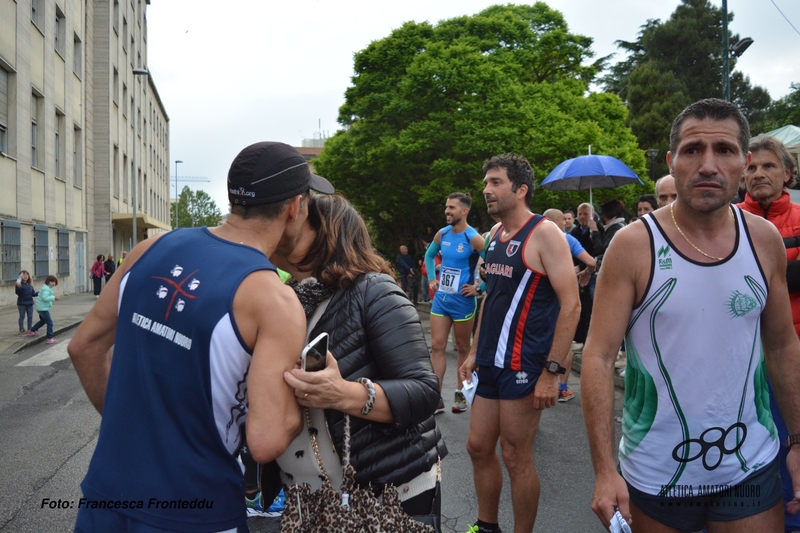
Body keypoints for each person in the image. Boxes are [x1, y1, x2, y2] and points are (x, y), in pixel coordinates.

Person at [67, 141, 334, 532]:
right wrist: (309, 392)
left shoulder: (150, 247)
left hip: (106, 494)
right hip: (196, 510)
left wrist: (141, 433)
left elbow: (82, 346)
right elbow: (265, 440)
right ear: (295, 207)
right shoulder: (274, 300)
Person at [581, 98, 800, 533]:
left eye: (724, 150)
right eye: (692, 150)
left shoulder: (763, 238)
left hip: (749, 464)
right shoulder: (632, 245)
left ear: (744, 161)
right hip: (657, 471)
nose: (708, 165)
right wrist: (605, 470)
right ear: (672, 161)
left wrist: (798, 440)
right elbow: (599, 357)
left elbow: (780, 344)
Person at [271, 194, 445, 520]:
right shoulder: (284, 299)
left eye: (298, 220)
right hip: (306, 498)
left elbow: (424, 391)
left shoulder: (375, 291)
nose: (284, 224)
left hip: (386, 493)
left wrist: (345, 394)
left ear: (326, 234)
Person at [460, 154, 580, 533]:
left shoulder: (545, 234)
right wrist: (473, 352)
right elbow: (490, 300)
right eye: (486, 183)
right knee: (478, 447)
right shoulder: (493, 235)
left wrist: (553, 373)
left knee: (515, 456)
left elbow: (571, 305)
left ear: (521, 189)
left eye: (495, 182)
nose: (486, 190)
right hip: (491, 364)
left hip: (525, 365)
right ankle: (486, 525)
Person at [738, 134, 800, 532]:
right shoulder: (725, 221)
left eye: (768, 166)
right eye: (751, 167)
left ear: (788, 174)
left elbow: (741, 282)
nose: (758, 173)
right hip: (741, 365)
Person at [425, 192, 485, 414]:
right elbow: (430, 255)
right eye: (446, 207)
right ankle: (435, 397)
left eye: (452, 207)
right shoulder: (443, 234)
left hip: (463, 301)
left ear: (464, 211)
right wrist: (432, 278)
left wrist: (480, 288)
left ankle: (460, 395)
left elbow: (494, 264)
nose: (447, 211)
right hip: (442, 299)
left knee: (462, 347)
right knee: (437, 345)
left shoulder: (474, 238)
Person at [543, 208, 596, 403]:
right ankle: (562, 388)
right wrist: (586, 272)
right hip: (564, 299)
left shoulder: (535, 238)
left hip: (540, 300)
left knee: (542, 342)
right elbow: (591, 262)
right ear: (559, 221)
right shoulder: (567, 240)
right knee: (563, 343)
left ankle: (539, 382)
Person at [27, 275, 59, 344]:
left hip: (41, 307)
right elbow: (45, 298)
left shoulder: (46, 287)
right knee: (50, 323)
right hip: (42, 308)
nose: (53, 283)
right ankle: (49, 338)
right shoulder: (46, 289)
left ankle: (32, 330)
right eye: (52, 282)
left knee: (43, 320)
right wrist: (54, 298)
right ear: (48, 281)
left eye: (54, 282)